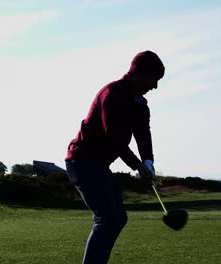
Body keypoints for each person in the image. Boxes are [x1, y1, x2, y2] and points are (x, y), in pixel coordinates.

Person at [65, 50, 165, 264]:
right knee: (108, 219)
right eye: (153, 79)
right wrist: (137, 165)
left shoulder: (139, 103)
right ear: (139, 74)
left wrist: (148, 161)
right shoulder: (112, 93)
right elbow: (114, 137)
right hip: (82, 161)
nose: (155, 86)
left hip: (98, 164)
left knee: (118, 218)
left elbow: (142, 133)